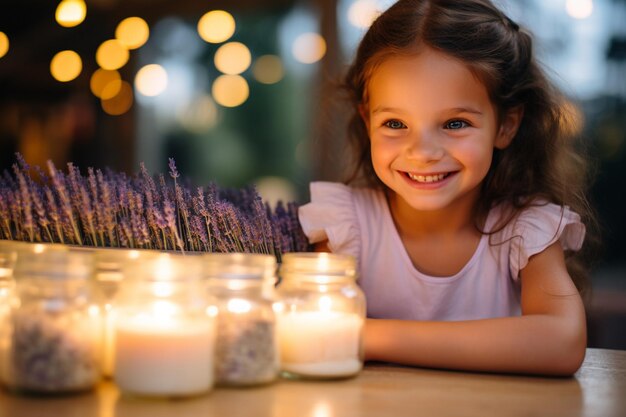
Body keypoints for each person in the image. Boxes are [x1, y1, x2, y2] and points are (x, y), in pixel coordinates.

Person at [298, 0, 598, 376]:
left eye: (455, 124)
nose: (422, 153)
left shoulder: (525, 230)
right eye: (394, 123)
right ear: (367, 119)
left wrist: (366, 336)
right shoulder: (345, 225)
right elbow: (312, 335)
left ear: (505, 126)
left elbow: (564, 343)